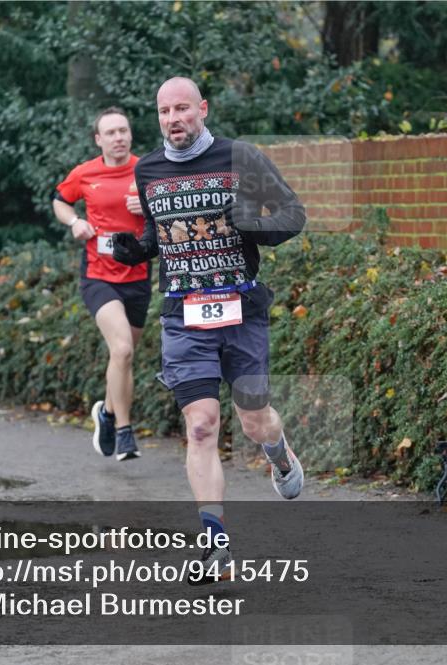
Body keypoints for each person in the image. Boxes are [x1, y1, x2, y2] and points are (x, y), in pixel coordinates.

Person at [112, 77, 306, 583]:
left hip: (241, 307)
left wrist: (252, 226)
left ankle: (279, 454)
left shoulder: (240, 157)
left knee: (254, 420)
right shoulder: (149, 170)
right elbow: (159, 234)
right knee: (199, 424)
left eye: (182, 109)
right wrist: (134, 249)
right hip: (183, 313)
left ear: (202, 109)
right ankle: (216, 547)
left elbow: (292, 215)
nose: (173, 119)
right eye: (163, 111)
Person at [52, 107, 148, 461]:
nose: (119, 137)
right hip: (98, 275)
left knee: (124, 358)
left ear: (130, 135)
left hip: (138, 275)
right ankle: (124, 432)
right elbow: (59, 202)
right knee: (121, 349)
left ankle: (106, 413)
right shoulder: (85, 173)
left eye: (123, 131)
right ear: (99, 139)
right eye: (111, 133)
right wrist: (74, 221)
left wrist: (149, 208)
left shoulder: (146, 170)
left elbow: (170, 213)